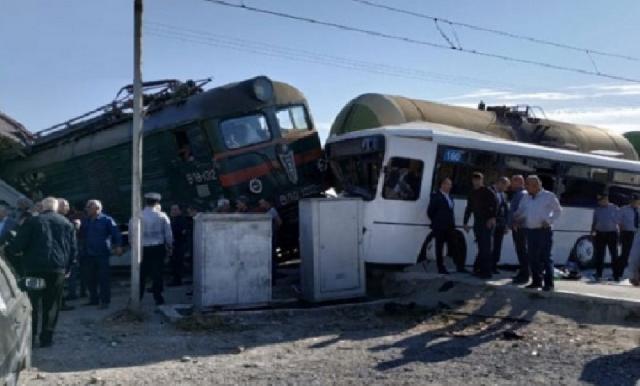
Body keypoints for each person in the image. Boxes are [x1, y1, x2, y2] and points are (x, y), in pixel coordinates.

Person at [6, 197, 77, 347]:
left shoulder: (33, 222)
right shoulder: (67, 223)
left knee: (32, 302)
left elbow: (18, 245)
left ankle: (30, 338)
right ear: (57, 208)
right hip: (57, 270)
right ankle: (47, 338)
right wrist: (68, 268)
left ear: (42, 208)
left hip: (34, 270)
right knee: (51, 305)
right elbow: (73, 249)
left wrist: (13, 251)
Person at [514, 175, 562, 291]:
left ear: (536, 186)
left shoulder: (548, 196)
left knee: (545, 257)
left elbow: (558, 211)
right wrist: (518, 219)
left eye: (528, 185)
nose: (526, 187)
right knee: (532, 257)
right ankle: (536, 281)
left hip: (544, 230)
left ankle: (549, 284)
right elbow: (522, 211)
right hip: (530, 230)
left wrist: (549, 221)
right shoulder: (526, 197)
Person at [79, 199, 123, 309]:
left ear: (97, 208)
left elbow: (116, 233)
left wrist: (118, 246)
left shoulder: (107, 220)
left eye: (89, 207)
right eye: (87, 207)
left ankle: (105, 301)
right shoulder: (86, 220)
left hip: (102, 254)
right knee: (90, 278)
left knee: (103, 279)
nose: (87, 209)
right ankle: (93, 299)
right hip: (88, 254)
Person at [138, 193, 173, 305]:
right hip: (158, 247)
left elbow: (132, 232)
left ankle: (138, 297)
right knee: (157, 273)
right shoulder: (162, 216)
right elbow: (168, 234)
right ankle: (158, 298)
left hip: (142, 248)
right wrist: (170, 246)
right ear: (157, 203)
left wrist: (133, 245)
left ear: (146, 202)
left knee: (141, 273)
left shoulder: (138, 215)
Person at [427, 177, 465, 274]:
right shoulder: (436, 196)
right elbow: (430, 211)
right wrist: (437, 221)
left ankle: (459, 266)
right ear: (442, 185)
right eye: (447, 184)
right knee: (439, 247)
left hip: (450, 226)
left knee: (455, 245)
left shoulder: (450, 197)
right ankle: (441, 267)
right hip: (439, 226)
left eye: (450, 184)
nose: (449, 186)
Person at [463, 172, 498, 279]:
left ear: (482, 180)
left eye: (478, 179)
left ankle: (487, 272)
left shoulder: (488, 191)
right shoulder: (472, 193)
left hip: (487, 223)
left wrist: (492, 217)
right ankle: (479, 269)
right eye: (474, 179)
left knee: (486, 248)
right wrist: (465, 222)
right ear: (472, 180)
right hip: (477, 223)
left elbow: (495, 204)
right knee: (481, 247)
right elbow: (468, 208)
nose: (476, 181)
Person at [591, 193, 620, 281]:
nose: (599, 202)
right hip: (600, 234)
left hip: (612, 234)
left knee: (614, 255)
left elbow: (619, 220)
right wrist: (592, 231)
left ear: (606, 199)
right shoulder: (597, 209)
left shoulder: (614, 208)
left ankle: (616, 275)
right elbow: (594, 221)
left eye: (601, 200)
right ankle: (598, 274)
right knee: (600, 255)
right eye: (599, 201)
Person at [507, 175, 530, 284]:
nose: (511, 184)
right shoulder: (520, 194)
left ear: (519, 182)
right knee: (520, 250)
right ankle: (523, 272)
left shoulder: (522, 194)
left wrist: (516, 222)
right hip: (519, 227)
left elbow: (523, 211)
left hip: (520, 227)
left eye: (513, 181)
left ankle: (524, 275)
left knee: (521, 251)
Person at [259, 198, 283, 283]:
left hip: (272, 236)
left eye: (261, 204)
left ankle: (273, 278)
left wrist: (273, 230)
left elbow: (279, 222)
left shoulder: (272, 211)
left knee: (272, 256)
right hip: (268, 236)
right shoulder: (266, 211)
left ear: (266, 203)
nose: (260, 206)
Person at [490, 177, 510, 274]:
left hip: (501, 224)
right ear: (500, 183)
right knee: (490, 246)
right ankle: (485, 266)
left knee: (497, 246)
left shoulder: (504, 195)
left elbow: (506, 210)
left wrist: (506, 225)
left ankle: (493, 265)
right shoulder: (489, 192)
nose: (506, 189)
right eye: (505, 186)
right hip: (492, 223)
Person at [617, 194, 639, 281]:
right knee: (625, 254)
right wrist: (620, 234)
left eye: (636, 201)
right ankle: (618, 273)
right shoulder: (624, 209)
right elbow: (619, 222)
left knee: (636, 255)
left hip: (637, 234)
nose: (634, 203)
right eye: (632, 201)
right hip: (627, 233)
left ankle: (635, 276)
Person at [168, 204, 188, 287]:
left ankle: (177, 280)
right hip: (173, 244)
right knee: (173, 262)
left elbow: (183, 232)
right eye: (172, 209)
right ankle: (175, 279)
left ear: (180, 211)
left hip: (179, 244)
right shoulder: (171, 220)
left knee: (178, 262)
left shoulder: (182, 219)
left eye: (175, 209)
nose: (173, 211)